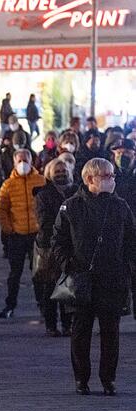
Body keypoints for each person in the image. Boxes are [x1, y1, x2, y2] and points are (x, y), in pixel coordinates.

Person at [52, 158, 136, 396]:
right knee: (80, 331)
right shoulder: (71, 206)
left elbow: (131, 240)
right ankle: (81, 378)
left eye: (112, 176)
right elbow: (58, 241)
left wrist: (127, 268)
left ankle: (108, 379)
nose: (113, 180)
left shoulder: (120, 207)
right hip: (81, 280)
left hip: (112, 279)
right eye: (107, 176)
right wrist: (68, 264)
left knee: (111, 332)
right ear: (90, 179)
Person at [0, 149, 46, 319]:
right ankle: (10, 305)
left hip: (36, 235)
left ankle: (43, 304)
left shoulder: (41, 181)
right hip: (17, 235)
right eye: (20, 160)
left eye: (26, 159)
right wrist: (8, 228)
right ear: (15, 162)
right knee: (14, 273)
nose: (23, 163)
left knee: (38, 272)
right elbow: (1, 209)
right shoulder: (8, 185)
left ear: (31, 161)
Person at [33, 159, 77, 337]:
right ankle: (51, 324)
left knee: (68, 286)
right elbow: (44, 221)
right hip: (49, 246)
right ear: (50, 174)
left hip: (70, 245)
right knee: (50, 286)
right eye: (57, 170)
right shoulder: (44, 195)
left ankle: (68, 324)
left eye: (64, 169)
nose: (61, 173)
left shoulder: (75, 192)